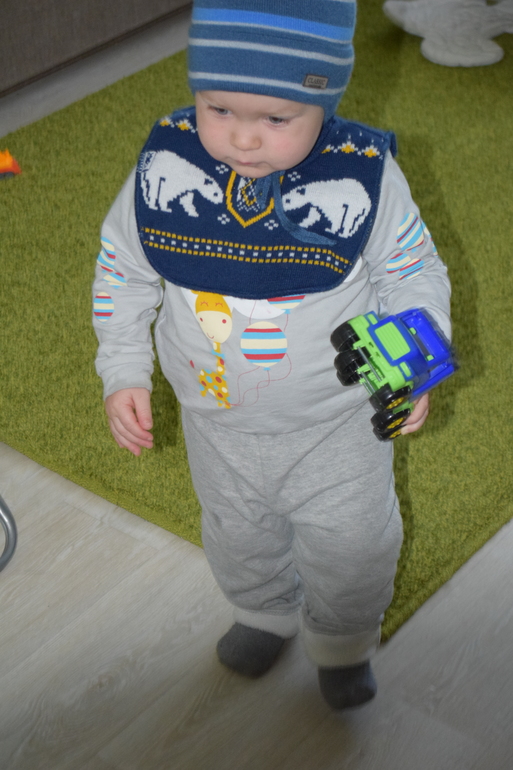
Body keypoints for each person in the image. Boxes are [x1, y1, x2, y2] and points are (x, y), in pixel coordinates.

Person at [93, 0, 451, 710]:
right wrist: (123, 368)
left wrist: (412, 361)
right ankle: (263, 612)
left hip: (336, 424)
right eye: (218, 108)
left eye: (276, 118)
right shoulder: (165, 168)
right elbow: (123, 272)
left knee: (353, 545)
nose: (243, 137)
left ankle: (342, 639)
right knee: (237, 534)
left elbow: (412, 273)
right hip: (215, 421)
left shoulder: (364, 179)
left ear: (325, 100)